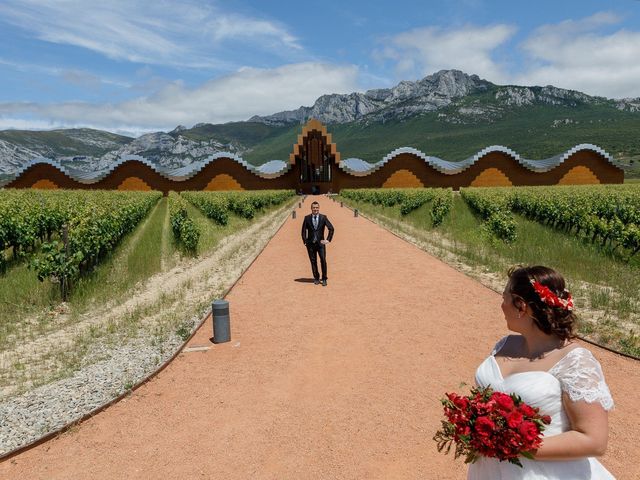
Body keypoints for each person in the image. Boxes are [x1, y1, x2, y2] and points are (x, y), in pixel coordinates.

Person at [468, 265, 615, 479]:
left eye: (505, 297)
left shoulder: (576, 362)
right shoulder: (504, 345)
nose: (501, 305)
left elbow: (594, 440)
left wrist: (513, 446)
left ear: (521, 306)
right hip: (489, 469)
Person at [301, 201, 334, 286]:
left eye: (317, 208)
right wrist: (305, 241)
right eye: (314, 208)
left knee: (323, 260)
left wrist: (328, 240)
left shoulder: (323, 217)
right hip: (310, 244)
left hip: (321, 244)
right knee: (313, 261)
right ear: (311, 208)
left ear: (319, 208)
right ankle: (316, 278)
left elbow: (331, 228)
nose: (315, 209)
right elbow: (303, 231)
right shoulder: (307, 218)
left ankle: (324, 278)